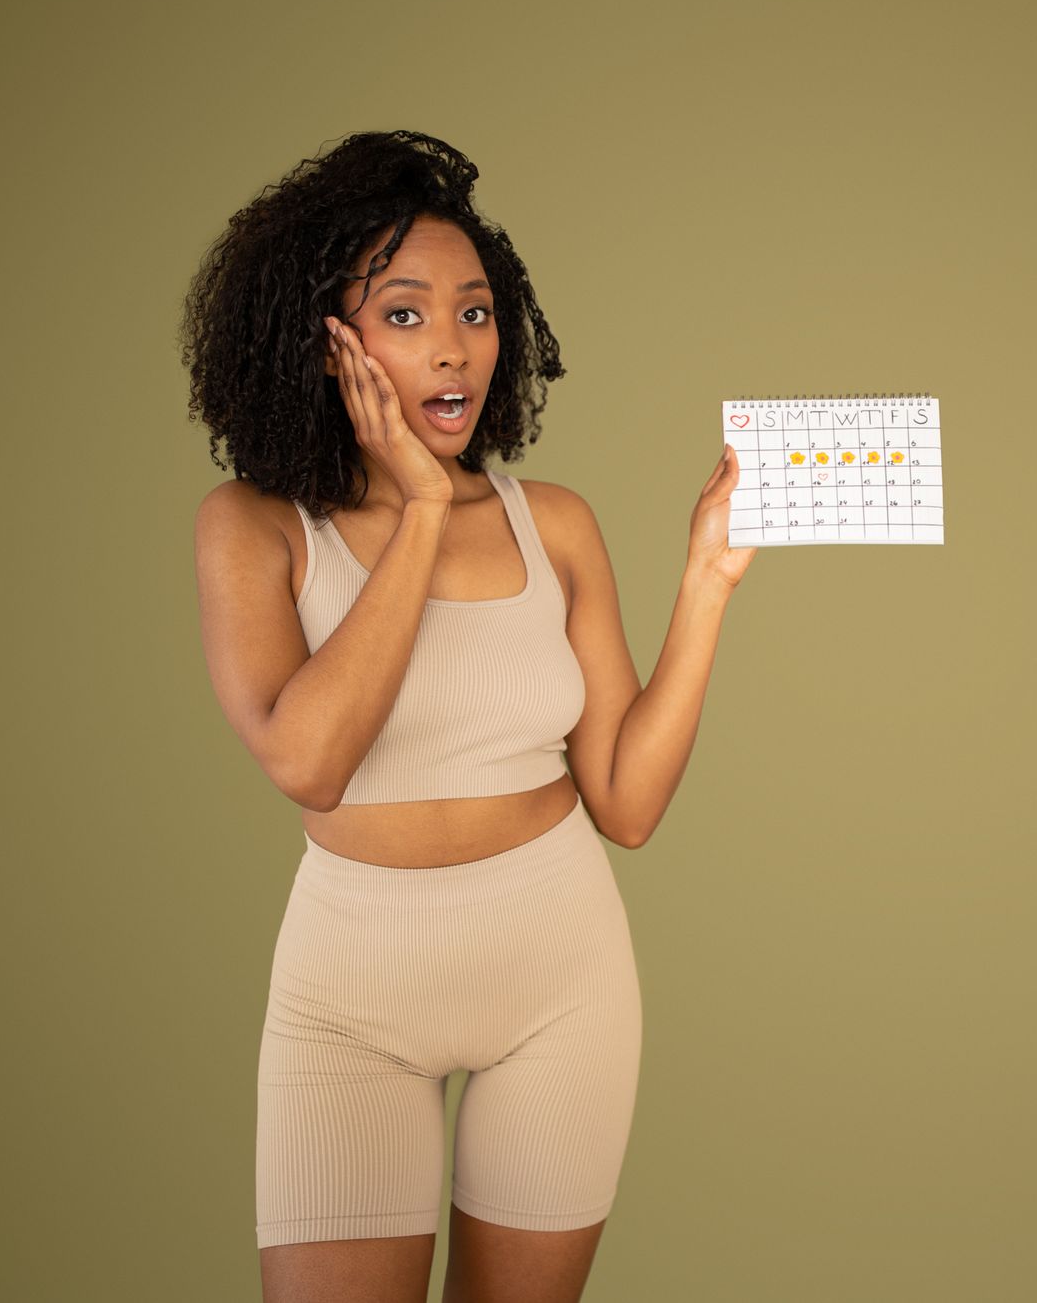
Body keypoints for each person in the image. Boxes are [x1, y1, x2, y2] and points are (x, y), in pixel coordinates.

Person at [183, 130, 754, 1303]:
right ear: (322, 340)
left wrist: (704, 583)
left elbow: (628, 806)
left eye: (476, 311)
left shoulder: (554, 522)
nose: (452, 346)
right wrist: (426, 510)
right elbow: (310, 758)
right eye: (402, 315)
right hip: (350, 999)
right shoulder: (252, 527)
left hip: (560, 975)